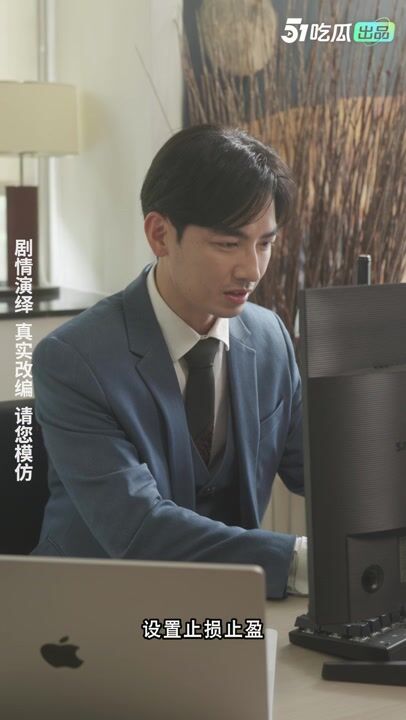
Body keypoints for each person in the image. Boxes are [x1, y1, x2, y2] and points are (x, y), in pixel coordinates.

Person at [32, 124, 307, 598]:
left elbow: (323, 474)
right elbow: (139, 528)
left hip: (222, 607)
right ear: (160, 234)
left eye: (265, 243)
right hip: (91, 610)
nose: (252, 269)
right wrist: (301, 561)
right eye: (228, 244)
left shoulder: (270, 339)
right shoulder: (73, 360)